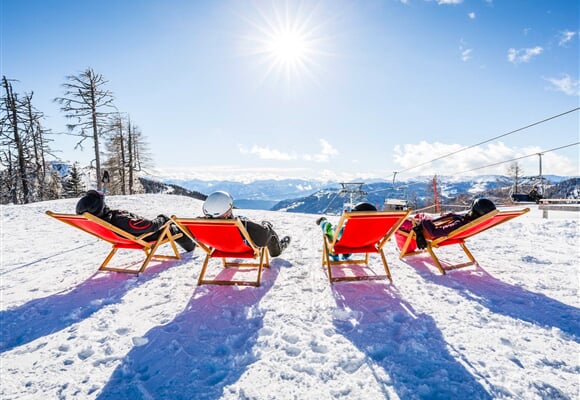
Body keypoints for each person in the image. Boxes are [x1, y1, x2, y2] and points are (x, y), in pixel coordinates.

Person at [75, 190, 196, 252]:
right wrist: (163, 218)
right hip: (145, 236)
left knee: (171, 224)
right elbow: (151, 226)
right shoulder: (121, 220)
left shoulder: (102, 221)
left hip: (125, 236)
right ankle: (192, 246)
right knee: (172, 228)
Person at [202, 191, 291, 257]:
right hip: (239, 249)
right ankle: (276, 251)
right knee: (269, 232)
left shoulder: (199, 225)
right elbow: (263, 238)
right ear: (227, 212)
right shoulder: (242, 225)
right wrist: (267, 226)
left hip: (218, 247)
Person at [407, 198, 497, 249]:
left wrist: (423, 220)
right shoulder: (469, 223)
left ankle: (406, 247)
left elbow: (434, 232)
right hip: (434, 223)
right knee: (421, 215)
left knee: (403, 223)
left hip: (424, 229)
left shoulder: (459, 224)